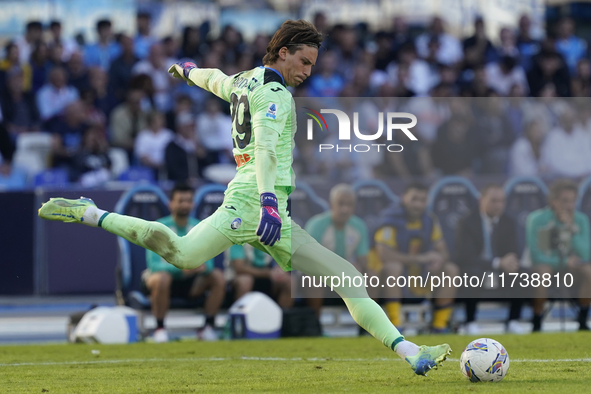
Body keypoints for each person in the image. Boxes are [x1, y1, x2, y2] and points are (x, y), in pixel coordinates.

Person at [38, 20, 450, 376]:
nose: (307, 72)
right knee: (189, 256)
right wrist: (270, 201)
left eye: (313, 65)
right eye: (304, 62)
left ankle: (411, 353)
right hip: (257, 202)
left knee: (339, 276)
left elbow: (212, 78)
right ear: (284, 53)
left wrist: (187, 70)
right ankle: (92, 213)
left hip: (254, 205)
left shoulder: (243, 80)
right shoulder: (275, 95)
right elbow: (267, 151)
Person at [143, 184, 226, 342]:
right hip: (162, 280)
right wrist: (181, 268)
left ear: (193, 204)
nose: (184, 204)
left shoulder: (201, 227)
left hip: (192, 282)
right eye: (180, 201)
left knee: (217, 276)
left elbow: (209, 264)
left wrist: (196, 268)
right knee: (161, 278)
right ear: (170, 204)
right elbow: (153, 266)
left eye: (188, 201)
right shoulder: (158, 228)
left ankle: (207, 327)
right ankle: (160, 329)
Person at [373, 182, 459, 333]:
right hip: (385, 280)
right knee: (394, 267)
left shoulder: (430, 220)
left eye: (422, 200)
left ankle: (440, 326)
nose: (418, 205)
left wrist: (439, 260)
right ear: (403, 198)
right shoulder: (390, 220)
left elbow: (444, 251)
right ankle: (395, 325)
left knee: (451, 269)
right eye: (414, 199)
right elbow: (384, 255)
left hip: (420, 276)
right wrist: (421, 259)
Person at [455, 184, 525, 335]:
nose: (498, 205)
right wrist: (498, 263)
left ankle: (513, 320)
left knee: (521, 272)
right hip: (476, 267)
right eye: (494, 201)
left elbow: (515, 250)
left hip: (500, 270)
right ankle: (470, 322)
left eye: (502, 201)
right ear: (481, 200)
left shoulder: (509, 221)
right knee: (472, 274)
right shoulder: (467, 222)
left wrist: (510, 261)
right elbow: (465, 257)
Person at [526, 179, 591, 332]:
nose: (569, 206)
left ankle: (582, 320)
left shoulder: (580, 220)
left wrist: (571, 229)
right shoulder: (538, 219)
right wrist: (564, 262)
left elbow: (585, 254)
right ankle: (537, 321)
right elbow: (537, 255)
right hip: (546, 268)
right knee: (543, 272)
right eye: (564, 201)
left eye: (573, 201)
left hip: (571, 271)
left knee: (589, 270)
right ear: (553, 201)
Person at [304, 184, 369, 319]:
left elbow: (363, 261)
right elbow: (310, 261)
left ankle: (367, 325)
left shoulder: (359, 226)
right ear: (331, 204)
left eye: (349, 205)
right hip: (320, 273)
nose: (345, 209)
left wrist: (360, 268)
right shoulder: (316, 225)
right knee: (313, 278)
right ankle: (315, 323)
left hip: (346, 275)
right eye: (341, 204)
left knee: (372, 274)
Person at [230, 244, 293, 309]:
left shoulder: (274, 236)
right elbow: (239, 268)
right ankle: (239, 315)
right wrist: (268, 273)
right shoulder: (239, 237)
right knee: (245, 281)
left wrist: (280, 270)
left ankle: (283, 317)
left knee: (289, 281)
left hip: (269, 277)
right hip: (243, 276)